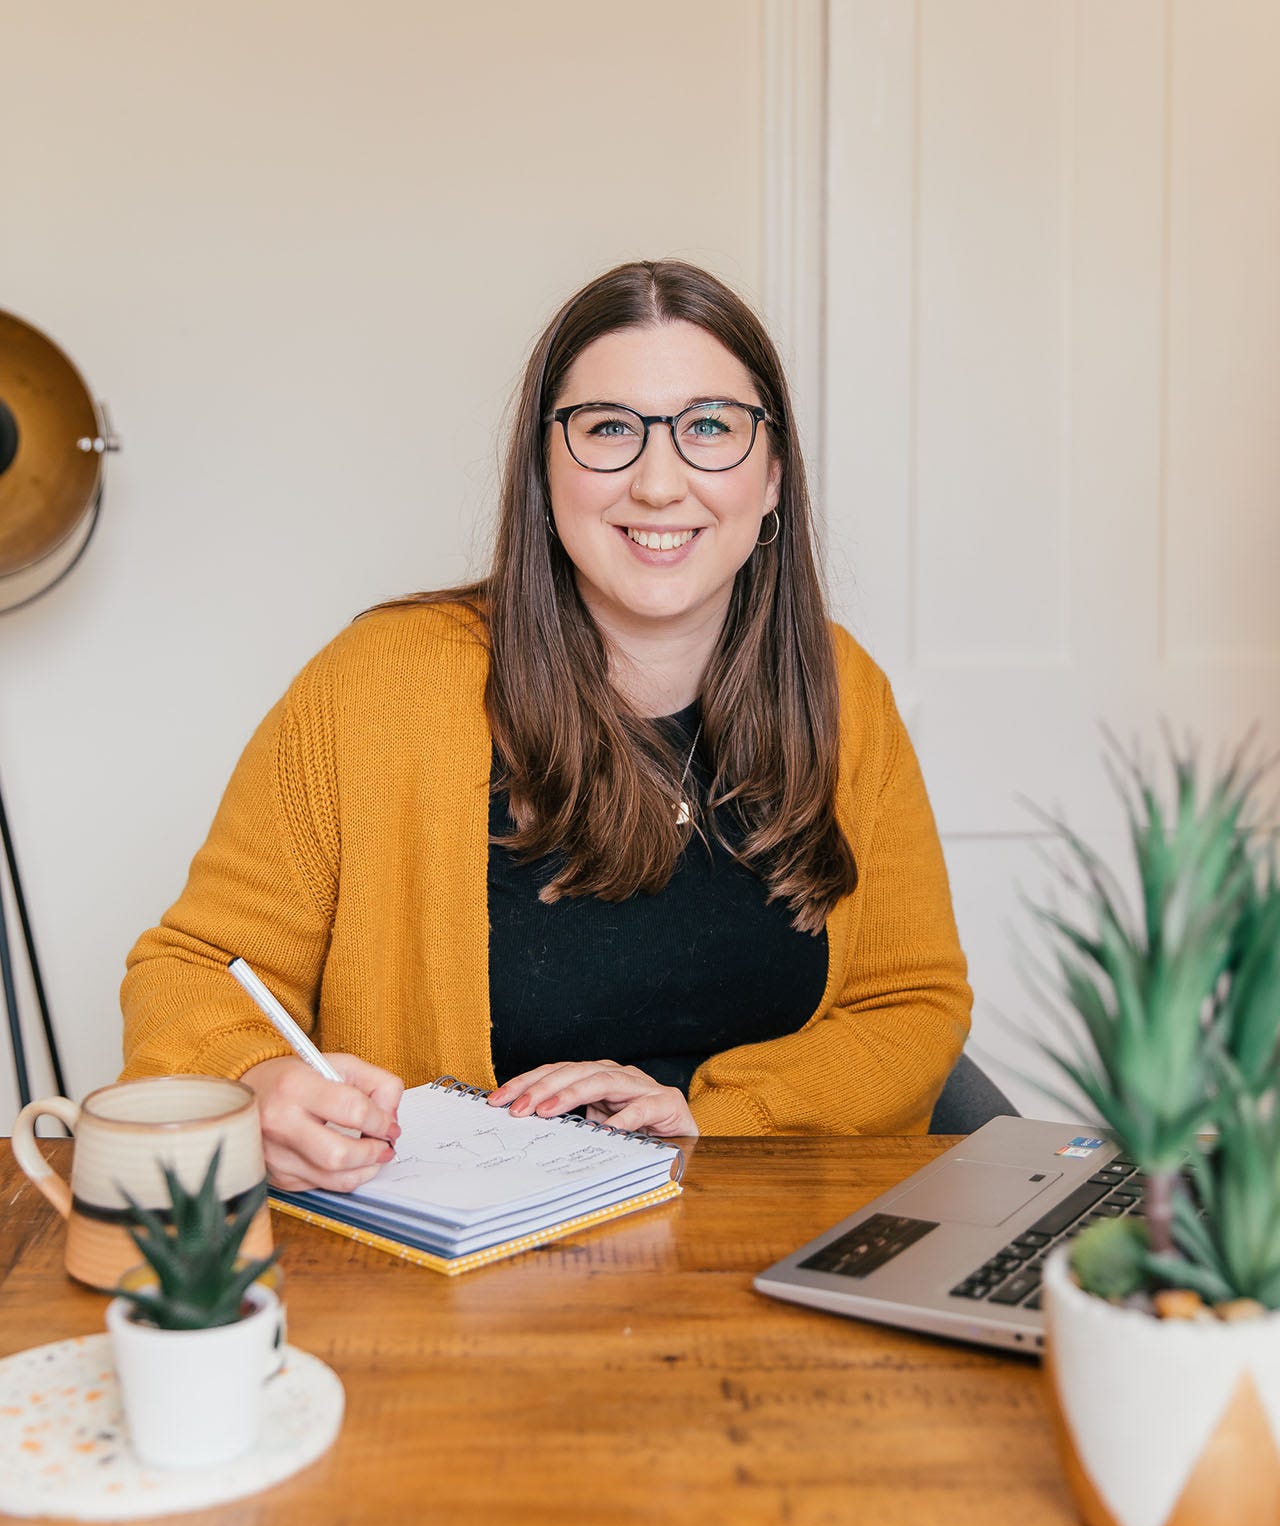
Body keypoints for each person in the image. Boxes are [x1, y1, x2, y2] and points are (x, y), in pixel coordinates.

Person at [120, 260, 972, 1193]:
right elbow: (194, 969)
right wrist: (257, 1078)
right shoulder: (376, 687)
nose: (658, 483)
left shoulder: (845, 692)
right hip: (453, 1276)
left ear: (772, 475)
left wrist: (707, 1115)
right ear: (544, 471)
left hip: (767, 1250)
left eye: (709, 428)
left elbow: (912, 1006)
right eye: (609, 428)